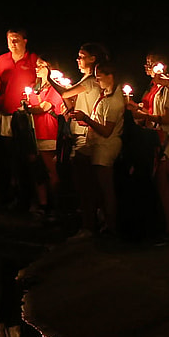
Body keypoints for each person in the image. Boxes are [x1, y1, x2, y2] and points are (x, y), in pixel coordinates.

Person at [127, 53, 169, 238]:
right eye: (147, 63)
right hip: (155, 139)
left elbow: (167, 118)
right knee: (158, 185)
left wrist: (144, 115)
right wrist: (138, 110)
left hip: (166, 141)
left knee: (164, 185)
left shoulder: (168, 90)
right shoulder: (156, 89)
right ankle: (162, 225)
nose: (148, 67)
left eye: (152, 63)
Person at [69, 61, 125, 237]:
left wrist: (86, 118)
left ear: (111, 76)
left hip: (105, 148)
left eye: (99, 74)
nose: (97, 78)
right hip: (97, 145)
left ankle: (111, 227)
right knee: (98, 187)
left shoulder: (115, 101)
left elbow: (107, 131)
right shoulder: (106, 95)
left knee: (106, 188)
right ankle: (103, 224)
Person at [0, 29, 39, 203]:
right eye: (9, 39)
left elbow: (39, 82)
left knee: (26, 154)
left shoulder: (33, 59)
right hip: (5, 112)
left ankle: (30, 195)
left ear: (25, 41)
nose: (13, 43)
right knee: (8, 153)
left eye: (16, 39)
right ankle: (12, 190)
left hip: (24, 115)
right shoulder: (2, 60)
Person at [23, 59, 66, 219]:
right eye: (37, 65)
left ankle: (56, 207)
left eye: (42, 66)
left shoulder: (55, 88)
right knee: (38, 170)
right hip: (35, 133)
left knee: (51, 171)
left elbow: (44, 108)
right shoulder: (36, 87)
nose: (37, 68)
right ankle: (43, 203)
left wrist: (29, 109)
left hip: (49, 133)